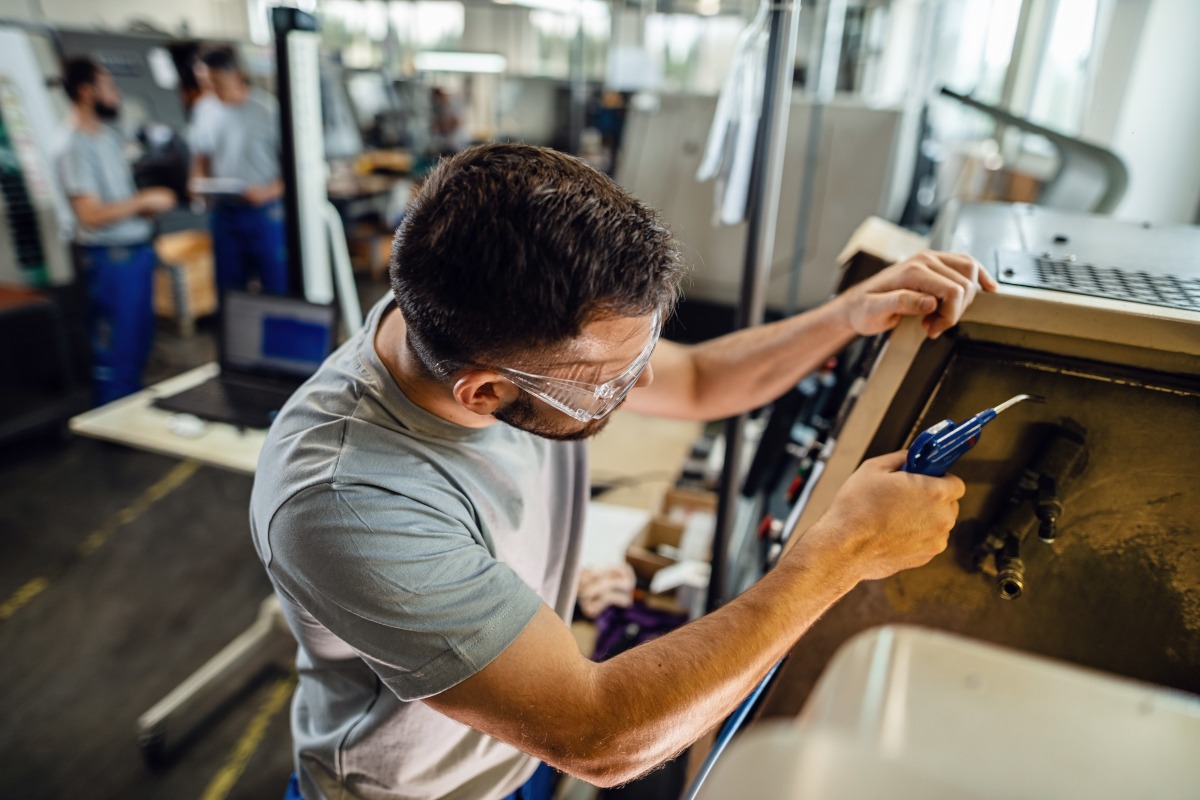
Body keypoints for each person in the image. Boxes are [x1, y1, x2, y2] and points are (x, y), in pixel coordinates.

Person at [251, 143, 996, 800]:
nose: (640, 386)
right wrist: (838, 558)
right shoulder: (347, 500)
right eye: (609, 380)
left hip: (512, 755)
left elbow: (700, 379)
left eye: (641, 355)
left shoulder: (467, 313)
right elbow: (598, 736)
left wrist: (844, 315)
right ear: (484, 392)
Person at [54, 56, 176, 405]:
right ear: (85, 91)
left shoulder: (106, 137)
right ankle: (113, 418)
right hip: (109, 261)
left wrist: (146, 209)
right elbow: (90, 215)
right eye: (107, 85)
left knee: (138, 340)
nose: (116, 93)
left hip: (136, 253)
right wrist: (143, 201)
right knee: (116, 346)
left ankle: (131, 408)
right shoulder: (73, 145)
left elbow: (117, 201)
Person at [190, 48, 287, 295]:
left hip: (265, 212)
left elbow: (293, 170)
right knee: (229, 288)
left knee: (275, 286)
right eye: (205, 84)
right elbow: (201, 155)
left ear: (238, 75)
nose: (210, 90)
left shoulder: (268, 111)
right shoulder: (204, 109)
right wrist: (198, 183)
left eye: (217, 83)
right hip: (225, 212)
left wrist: (266, 193)